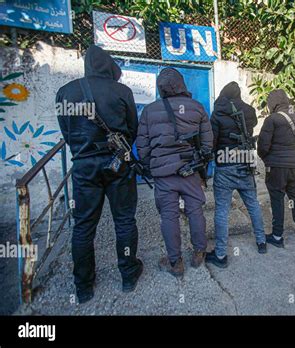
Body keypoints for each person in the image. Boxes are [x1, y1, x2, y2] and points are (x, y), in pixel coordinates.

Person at [56, 45, 143, 304]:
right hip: (118, 163)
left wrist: (84, 149)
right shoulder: (122, 91)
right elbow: (132, 128)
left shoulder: (66, 92)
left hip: (84, 166)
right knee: (125, 220)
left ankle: (83, 286)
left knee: (83, 226)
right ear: (109, 65)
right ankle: (128, 275)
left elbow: (66, 131)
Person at [136, 67, 212, 277]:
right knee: (195, 211)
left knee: (169, 217)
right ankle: (199, 254)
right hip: (190, 172)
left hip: (164, 176)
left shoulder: (150, 111)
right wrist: (199, 161)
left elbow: (142, 145)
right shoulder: (196, 108)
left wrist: (153, 165)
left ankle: (175, 263)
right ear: (181, 84)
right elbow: (207, 144)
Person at [205, 82, 267, 269]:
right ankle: (261, 242)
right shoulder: (249, 110)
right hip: (245, 163)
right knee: (253, 204)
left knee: (222, 210)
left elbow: (212, 141)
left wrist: (209, 160)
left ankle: (221, 255)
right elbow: (253, 125)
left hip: (225, 166)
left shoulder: (217, 113)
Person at [257, 89, 295, 247]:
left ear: (272, 103)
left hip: (276, 167)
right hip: (294, 165)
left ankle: (277, 236)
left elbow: (262, 145)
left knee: (277, 198)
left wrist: (267, 158)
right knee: (294, 197)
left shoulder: (272, 120)